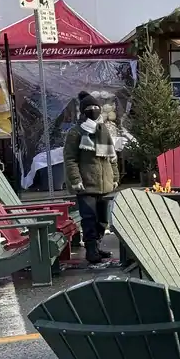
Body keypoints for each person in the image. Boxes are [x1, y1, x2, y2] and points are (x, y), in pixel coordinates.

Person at [63, 93, 119, 264]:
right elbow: (70, 159)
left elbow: (112, 157)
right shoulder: (75, 133)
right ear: (83, 112)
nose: (94, 111)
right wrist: (75, 179)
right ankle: (91, 250)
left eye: (96, 108)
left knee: (102, 219)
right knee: (89, 218)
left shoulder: (103, 130)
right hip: (86, 184)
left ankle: (97, 245)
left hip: (105, 183)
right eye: (90, 109)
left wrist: (115, 177)